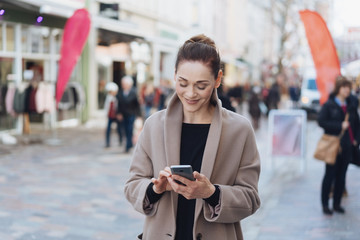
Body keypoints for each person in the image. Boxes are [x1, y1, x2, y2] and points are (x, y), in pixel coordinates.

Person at [124, 34, 260, 240]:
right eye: (183, 83)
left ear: (218, 79)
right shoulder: (154, 125)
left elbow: (250, 199)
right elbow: (132, 185)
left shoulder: (239, 130)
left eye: (201, 85)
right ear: (175, 75)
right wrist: (155, 188)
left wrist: (211, 193)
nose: (190, 93)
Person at [318, 76, 360, 215]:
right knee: (330, 175)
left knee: (342, 176)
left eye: (348, 87)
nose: (347, 90)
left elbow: (357, 125)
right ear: (338, 89)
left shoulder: (351, 105)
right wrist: (338, 126)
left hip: (348, 146)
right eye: (344, 87)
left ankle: (337, 203)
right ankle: (325, 204)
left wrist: (356, 141)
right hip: (333, 145)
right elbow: (321, 121)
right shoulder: (329, 104)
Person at [117, 75, 141, 153]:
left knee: (130, 129)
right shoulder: (120, 93)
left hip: (131, 114)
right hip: (123, 115)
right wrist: (119, 113)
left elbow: (137, 105)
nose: (123, 85)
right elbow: (119, 104)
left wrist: (139, 115)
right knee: (125, 130)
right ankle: (129, 144)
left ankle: (128, 145)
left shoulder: (133, 92)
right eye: (122, 83)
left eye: (124, 83)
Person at [103, 82, 123, 148]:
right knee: (108, 129)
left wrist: (119, 114)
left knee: (119, 129)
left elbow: (119, 106)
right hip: (110, 116)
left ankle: (121, 140)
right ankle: (107, 143)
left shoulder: (117, 98)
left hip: (116, 115)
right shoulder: (108, 98)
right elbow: (106, 107)